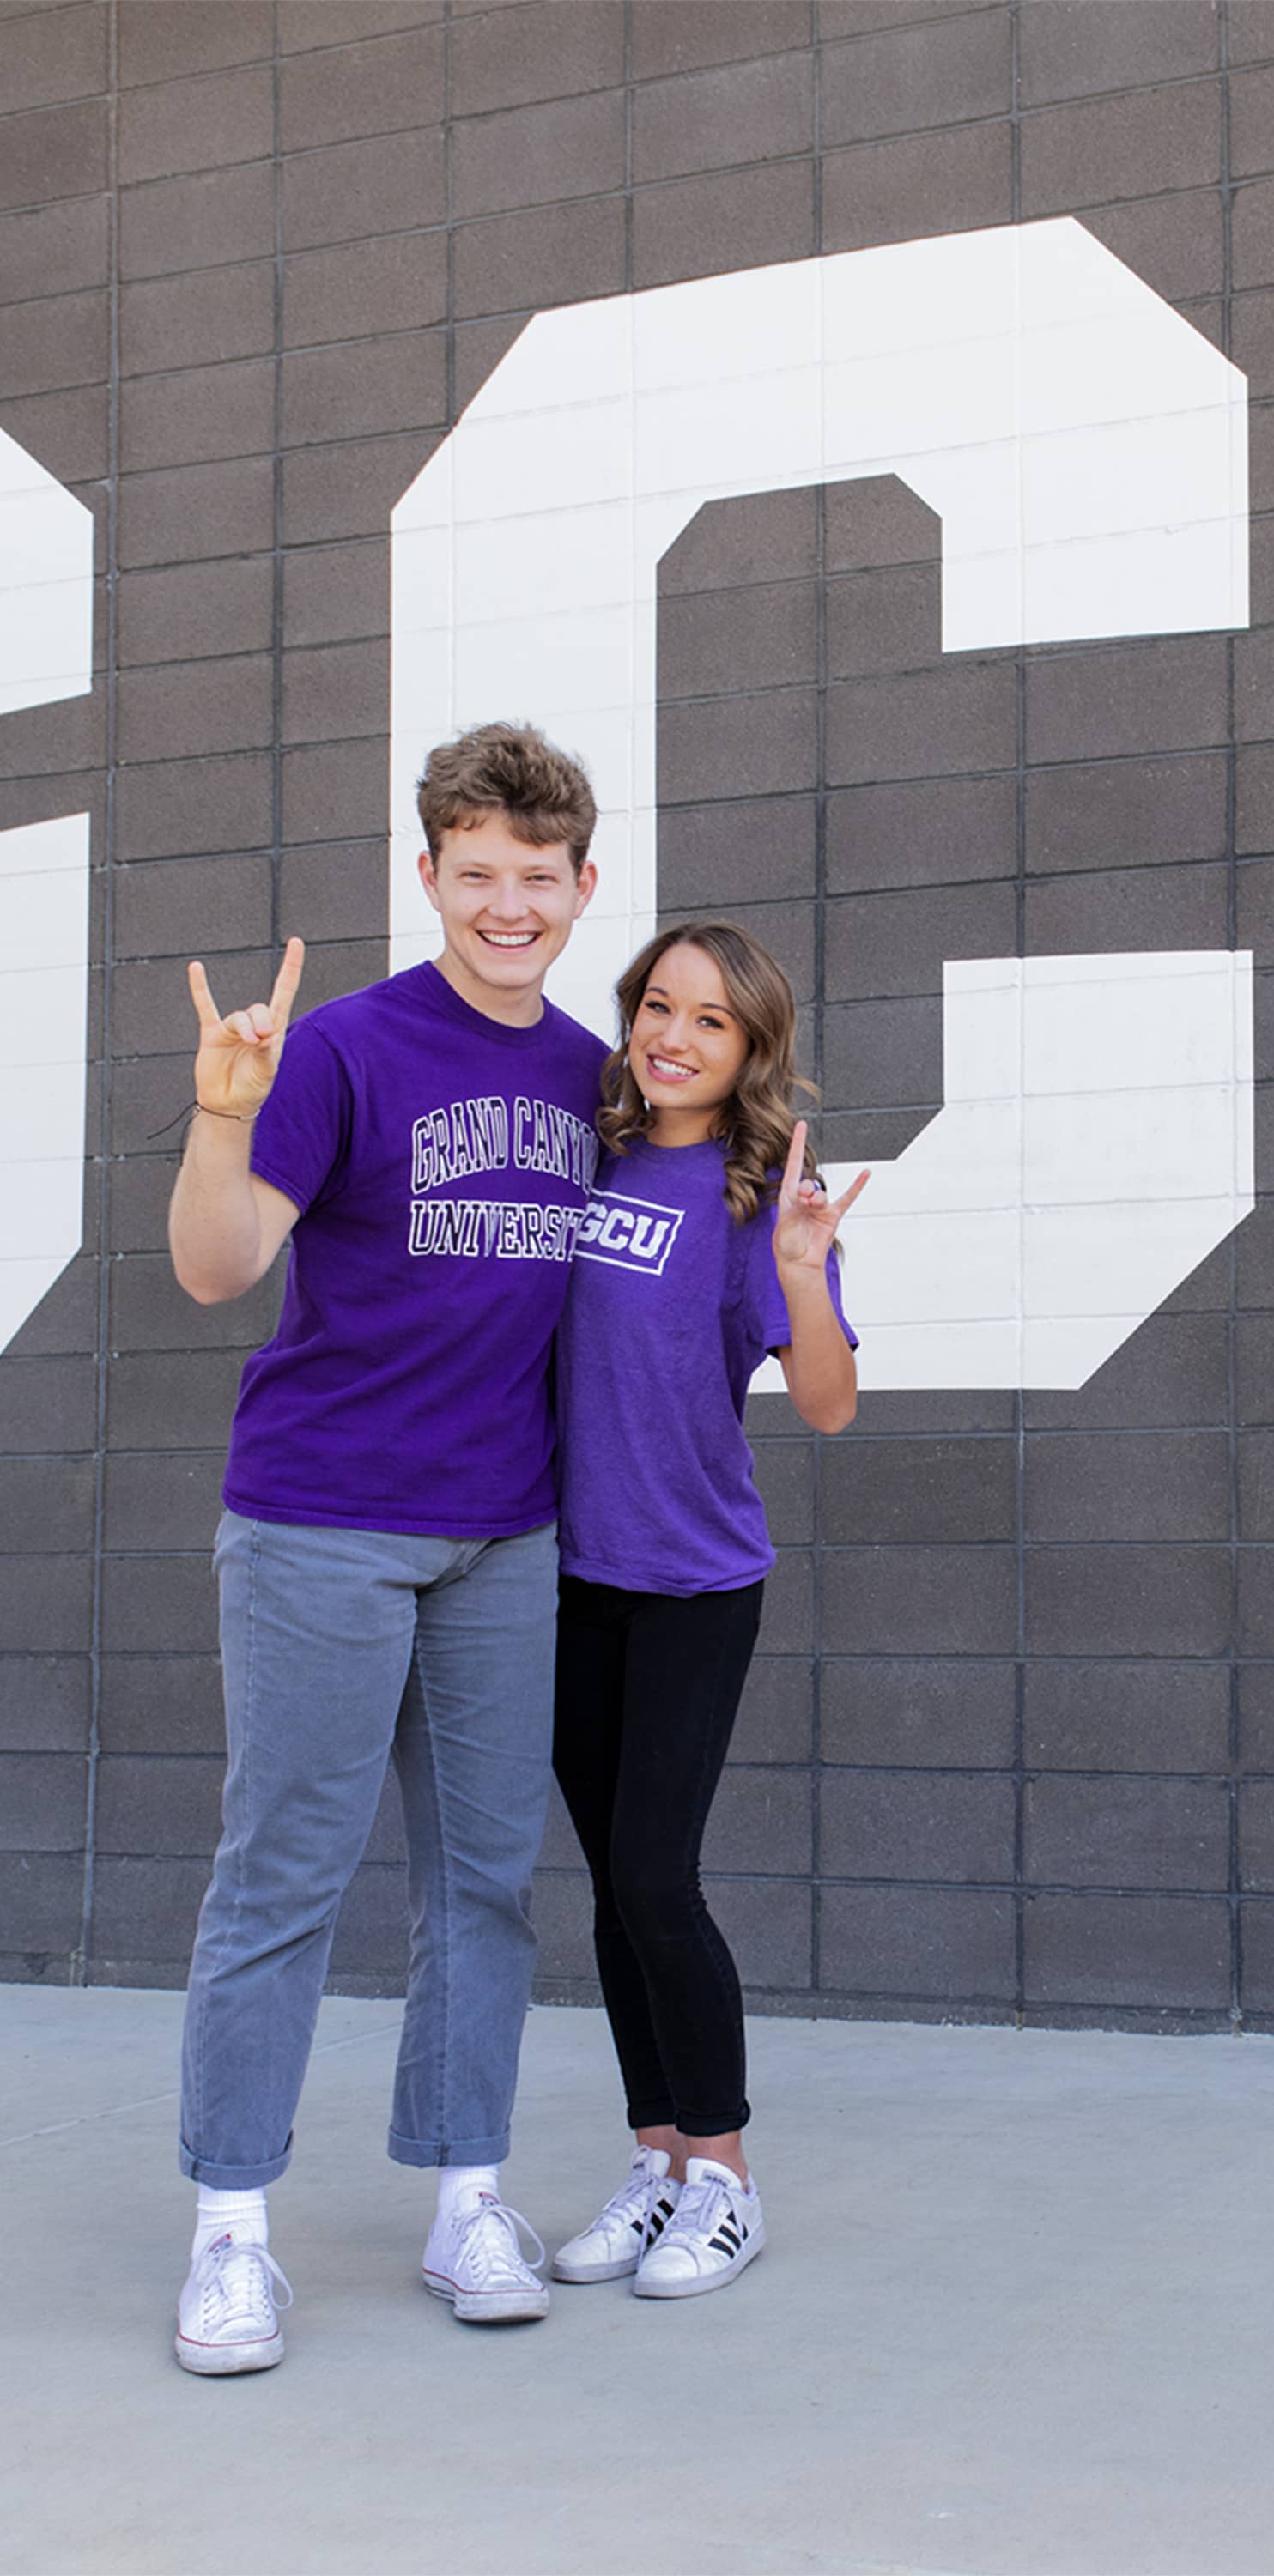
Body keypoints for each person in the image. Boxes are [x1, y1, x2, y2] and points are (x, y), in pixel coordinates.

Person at [168, 723, 606, 2374]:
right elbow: (220, 1270)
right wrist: (225, 1120)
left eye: (536, 879)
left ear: (580, 889)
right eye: (474, 873)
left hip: (508, 1537)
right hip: (322, 1522)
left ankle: (465, 2198)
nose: (507, 904)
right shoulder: (344, 1053)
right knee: (283, 1874)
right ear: (427, 876)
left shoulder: (589, 1077)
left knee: (485, 1882)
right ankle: (229, 2231)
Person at [549, 920, 867, 2300]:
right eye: (657, 1007)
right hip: (564, 1578)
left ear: (750, 1053)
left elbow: (828, 1404)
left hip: (693, 1583)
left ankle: (726, 2175)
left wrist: (802, 1270)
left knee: (658, 1878)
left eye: (710, 1022)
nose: (674, 1036)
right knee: (614, 1891)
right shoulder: (591, 1154)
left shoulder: (754, 1199)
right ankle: (659, 2157)